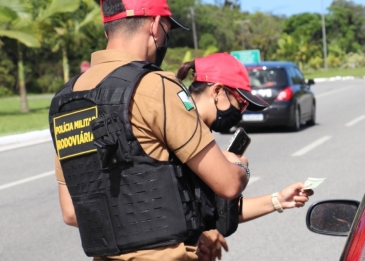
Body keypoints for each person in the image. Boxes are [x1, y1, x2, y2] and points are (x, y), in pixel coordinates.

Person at [48, 0, 258, 260]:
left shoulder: (65, 99)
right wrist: (241, 167)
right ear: (156, 26)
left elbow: (71, 212)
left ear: (108, 30)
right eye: (167, 31)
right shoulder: (156, 86)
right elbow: (227, 183)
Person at [176, 53, 315, 261]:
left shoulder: (202, 136)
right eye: (240, 103)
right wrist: (238, 167)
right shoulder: (179, 131)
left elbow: (218, 210)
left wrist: (279, 200)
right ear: (217, 91)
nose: (240, 112)